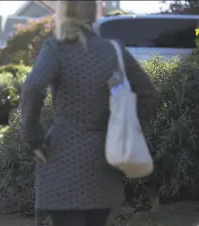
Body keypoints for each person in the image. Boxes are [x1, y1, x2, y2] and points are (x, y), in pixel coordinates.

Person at [20, 1, 160, 226]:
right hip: (104, 158)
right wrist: (123, 128)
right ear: (94, 12)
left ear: (63, 12)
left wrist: (34, 138)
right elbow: (149, 97)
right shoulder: (113, 50)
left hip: (62, 155)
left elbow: (33, 87)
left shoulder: (57, 48)